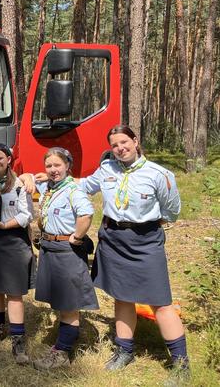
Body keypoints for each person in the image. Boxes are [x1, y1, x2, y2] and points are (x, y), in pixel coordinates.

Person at [77, 125, 187, 384]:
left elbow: (172, 209)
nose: (120, 148)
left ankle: (181, 364)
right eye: (114, 145)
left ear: (135, 141)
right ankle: (125, 351)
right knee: (122, 296)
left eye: (124, 142)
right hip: (113, 239)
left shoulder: (159, 174)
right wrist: (41, 180)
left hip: (146, 241)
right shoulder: (107, 170)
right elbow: (82, 187)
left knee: (160, 302)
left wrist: (145, 226)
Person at [31, 147, 98, 371]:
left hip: (66, 250)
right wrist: (31, 177)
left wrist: (77, 237)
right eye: (48, 166)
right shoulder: (48, 187)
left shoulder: (73, 190)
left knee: (69, 303)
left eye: (57, 165)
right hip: (50, 248)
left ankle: (62, 354)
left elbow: (86, 214)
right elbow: (24, 178)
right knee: (60, 300)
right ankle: (67, 340)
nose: (52, 170)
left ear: (68, 166)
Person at [0, 143, 34, 364]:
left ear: (9, 159)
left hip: (13, 240)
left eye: (0, 158)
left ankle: (18, 339)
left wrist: (6, 225)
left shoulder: (20, 183)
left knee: (13, 291)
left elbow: (27, 215)